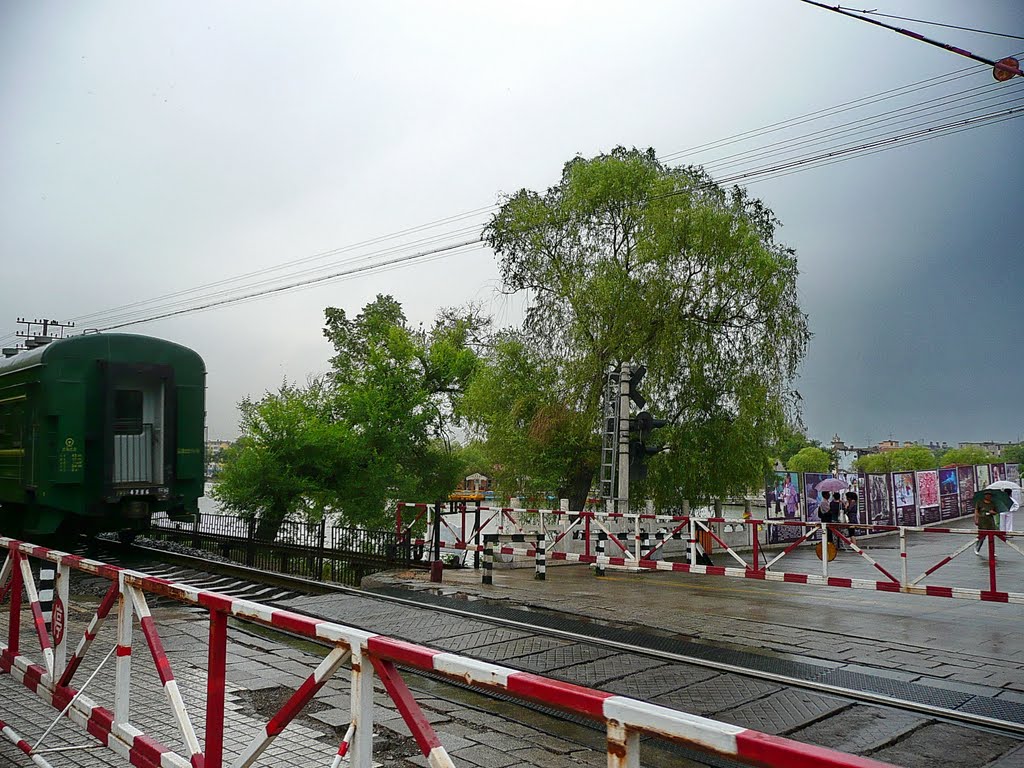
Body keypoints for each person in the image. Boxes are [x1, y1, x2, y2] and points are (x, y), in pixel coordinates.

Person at [974, 490, 1001, 558]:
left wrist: (993, 512)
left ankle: (992, 551)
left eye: (989, 495)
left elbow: (996, 512)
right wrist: (976, 519)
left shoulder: (992, 503)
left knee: (991, 537)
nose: (988, 496)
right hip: (982, 521)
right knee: (982, 536)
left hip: (990, 521)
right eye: (986, 495)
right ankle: (977, 548)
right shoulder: (979, 502)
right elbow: (976, 511)